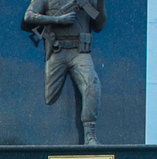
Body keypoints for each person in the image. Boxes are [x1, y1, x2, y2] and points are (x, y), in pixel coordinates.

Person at [22, 0, 106, 145]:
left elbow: (99, 25)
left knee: (92, 85)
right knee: (50, 96)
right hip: (57, 50)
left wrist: (100, 3)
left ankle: (90, 135)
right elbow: (28, 16)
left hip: (80, 51)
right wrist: (57, 20)